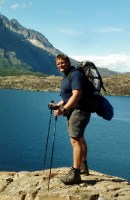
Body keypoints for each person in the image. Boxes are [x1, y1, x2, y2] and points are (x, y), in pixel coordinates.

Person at [49, 54, 90, 185]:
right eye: (58, 64)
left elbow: (77, 94)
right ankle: (83, 167)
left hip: (80, 110)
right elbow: (69, 96)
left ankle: (75, 173)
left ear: (68, 62)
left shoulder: (75, 74)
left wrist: (64, 110)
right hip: (76, 109)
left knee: (75, 140)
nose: (60, 65)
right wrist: (58, 105)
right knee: (80, 137)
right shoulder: (67, 76)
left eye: (62, 63)